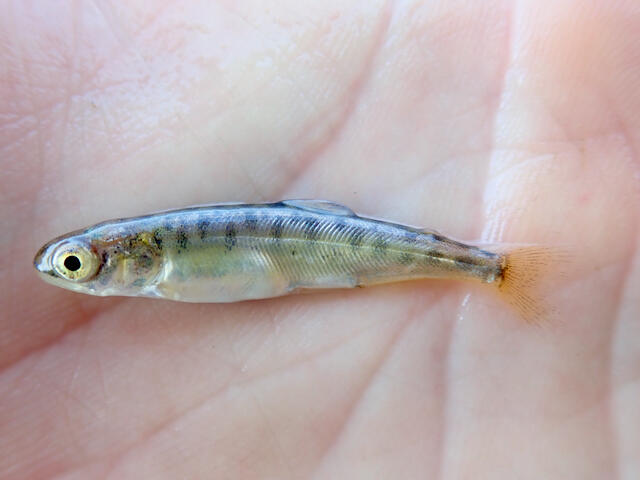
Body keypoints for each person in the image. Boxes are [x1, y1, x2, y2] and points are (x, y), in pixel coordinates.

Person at [1, 1, 638, 478]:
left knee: (365, 255)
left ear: (129, 256)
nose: (76, 270)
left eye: (76, 263)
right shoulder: (156, 260)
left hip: (314, 246)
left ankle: (485, 267)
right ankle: (481, 267)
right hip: (304, 246)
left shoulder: (160, 256)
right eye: (77, 264)